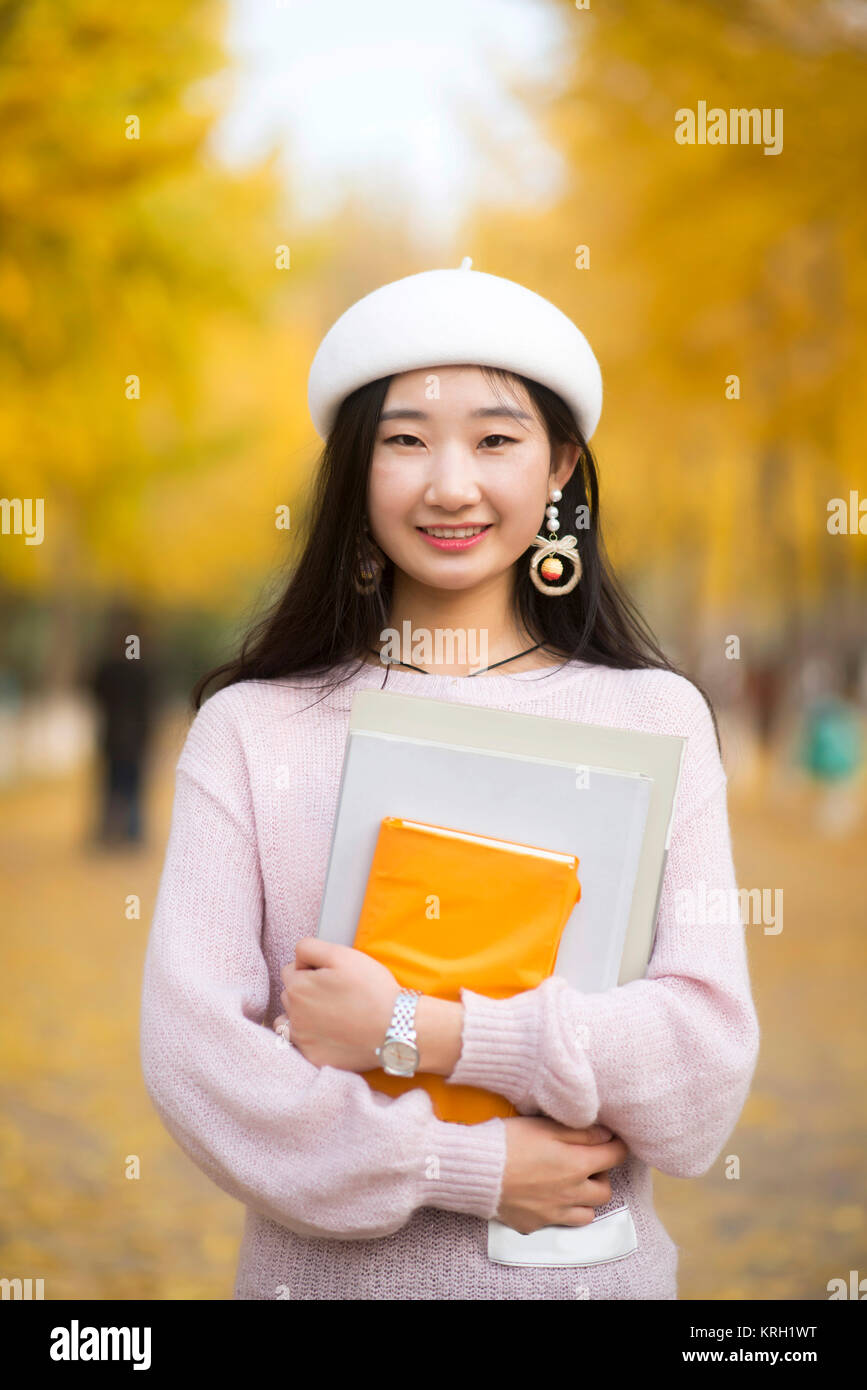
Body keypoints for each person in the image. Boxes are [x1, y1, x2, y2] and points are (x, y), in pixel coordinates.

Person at [140, 260, 760, 1300]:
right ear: (355, 470)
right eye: (406, 439)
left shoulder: (657, 717)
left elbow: (700, 1074)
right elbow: (198, 1063)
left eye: (496, 437)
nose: (451, 482)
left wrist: (424, 1031)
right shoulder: (251, 730)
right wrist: (468, 1166)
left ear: (562, 465)